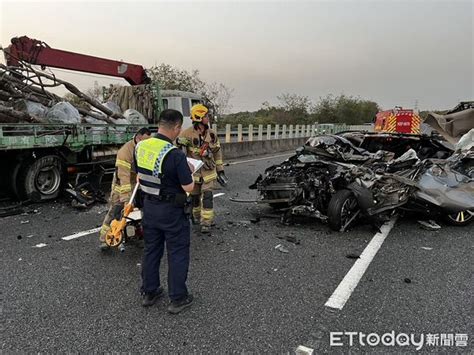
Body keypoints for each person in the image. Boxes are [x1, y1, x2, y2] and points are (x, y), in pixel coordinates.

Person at [135, 109, 195, 313]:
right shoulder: (175, 154)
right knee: (177, 252)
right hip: (171, 211)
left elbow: (139, 176)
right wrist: (189, 171)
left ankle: (149, 292)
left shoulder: (140, 146)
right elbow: (188, 187)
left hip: (149, 208)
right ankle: (178, 298)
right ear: (177, 127)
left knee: (151, 250)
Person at [176, 104, 228, 234]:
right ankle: (196, 217)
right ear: (198, 117)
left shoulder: (212, 134)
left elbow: (217, 152)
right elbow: (176, 149)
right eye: (205, 116)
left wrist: (220, 170)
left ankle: (206, 223)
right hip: (194, 172)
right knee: (195, 197)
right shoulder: (187, 133)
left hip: (209, 171)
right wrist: (179, 143)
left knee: (208, 196)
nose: (208, 118)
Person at [98, 127, 151, 250]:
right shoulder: (125, 152)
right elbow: (124, 177)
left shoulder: (144, 148)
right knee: (116, 211)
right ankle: (105, 239)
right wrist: (126, 199)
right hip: (121, 184)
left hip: (138, 183)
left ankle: (137, 237)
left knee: (137, 214)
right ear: (138, 138)